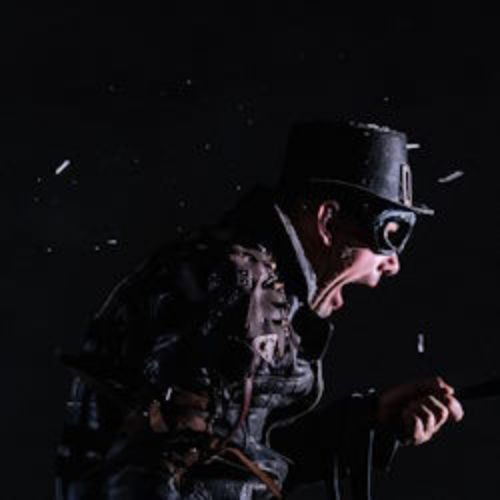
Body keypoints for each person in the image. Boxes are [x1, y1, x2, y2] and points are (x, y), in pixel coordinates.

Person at [55, 120, 464, 500]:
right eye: (390, 233)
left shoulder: (244, 276)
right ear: (328, 221)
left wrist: (369, 423)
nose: (392, 264)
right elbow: (153, 466)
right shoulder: (238, 288)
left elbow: (235, 449)